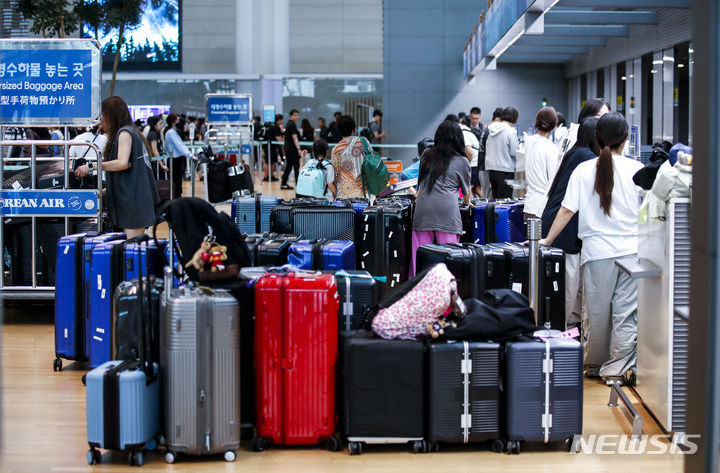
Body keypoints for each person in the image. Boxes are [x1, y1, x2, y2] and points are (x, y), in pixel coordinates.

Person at [539, 112, 643, 384]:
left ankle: (595, 364)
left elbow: (566, 210)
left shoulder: (583, 171)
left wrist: (547, 240)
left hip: (597, 253)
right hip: (632, 253)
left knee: (595, 314)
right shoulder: (637, 171)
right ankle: (616, 369)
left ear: (597, 137)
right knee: (625, 314)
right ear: (626, 139)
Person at [542, 117, 601, 329]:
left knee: (569, 284)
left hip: (556, 219)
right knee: (567, 284)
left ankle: (567, 327)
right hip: (563, 225)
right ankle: (560, 332)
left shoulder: (576, 152)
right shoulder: (587, 157)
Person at [74, 96, 159, 238]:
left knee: (132, 251)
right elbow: (130, 167)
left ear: (112, 116)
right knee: (131, 249)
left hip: (133, 204)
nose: (101, 120)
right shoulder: (130, 132)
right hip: (136, 200)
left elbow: (122, 163)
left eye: (103, 116)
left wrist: (92, 166)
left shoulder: (124, 133)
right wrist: (106, 190)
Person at [410, 120, 472, 277]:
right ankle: (447, 292)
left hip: (423, 210)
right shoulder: (462, 160)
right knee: (449, 258)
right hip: (447, 213)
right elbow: (466, 193)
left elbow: (420, 183)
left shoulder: (426, 154)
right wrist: (467, 203)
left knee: (420, 258)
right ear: (458, 138)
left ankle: (417, 291)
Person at [523, 106, 559, 219]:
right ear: (554, 125)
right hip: (543, 207)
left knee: (529, 237)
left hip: (529, 204)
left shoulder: (528, 142)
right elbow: (553, 182)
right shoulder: (551, 148)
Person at [331, 114, 374, 199]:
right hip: (363, 193)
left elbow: (336, 175)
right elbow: (372, 162)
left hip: (344, 194)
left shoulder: (336, 149)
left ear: (339, 130)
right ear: (353, 129)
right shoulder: (363, 142)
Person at [485, 106, 519, 199]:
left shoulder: (491, 129)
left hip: (491, 170)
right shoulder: (510, 131)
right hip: (505, 170)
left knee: (496, 200)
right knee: (505, 202)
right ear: (514, 118)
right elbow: (514, 152)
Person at [163, 113, 196, 198]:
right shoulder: (171, 133)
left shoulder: (174, 132)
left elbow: (181, 145)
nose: (179, 121)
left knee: (178, 180)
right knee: (175, 181)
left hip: (177, 158)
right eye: (177, 120)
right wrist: (190, 155)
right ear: (173, 122)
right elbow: (179, 146)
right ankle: (175, 198)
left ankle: (177, 197)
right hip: (174, 159)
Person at [281, 109, 302, 190]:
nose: (297, 117)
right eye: (295, 115)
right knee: (296, 166)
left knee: (289, 166)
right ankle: (298, 185)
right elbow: (294, 137)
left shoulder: (289, 124)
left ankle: (283, 183)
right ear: (291, 116)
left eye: (298, 115)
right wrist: (298, 148)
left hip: (288, 148)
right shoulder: (292, 124)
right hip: (292, 149)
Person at [265, 114, 283, 182]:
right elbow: (279, 138)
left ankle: (271, 175)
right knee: (268, 161)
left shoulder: (274, 126)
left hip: (273, 147)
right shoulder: (275, 127)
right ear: (279, 120)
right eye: (281, 120)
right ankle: (266, 176)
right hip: (270, 147)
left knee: (274, 161)